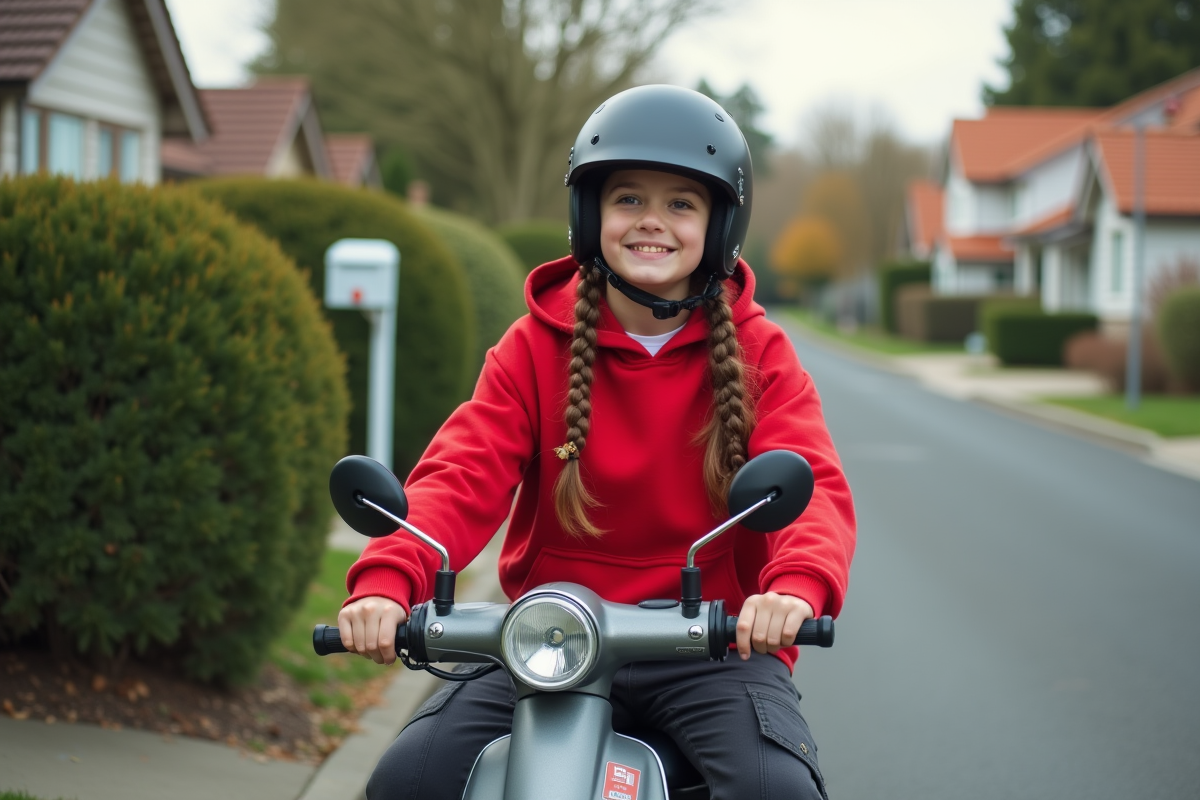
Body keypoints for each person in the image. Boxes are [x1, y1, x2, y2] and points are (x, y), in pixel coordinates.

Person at [338, 84, 856, 800]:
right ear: (590, 214)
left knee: (778, 789)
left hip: (712, 646)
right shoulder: (530, 349)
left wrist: (794, 588)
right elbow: (461, 473)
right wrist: (390, 580)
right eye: (628, 199)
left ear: (720, 224)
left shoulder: (763, 354)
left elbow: (808, 485)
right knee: (409, 780)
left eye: (681, 203)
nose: (652, 222)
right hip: (551, 640)